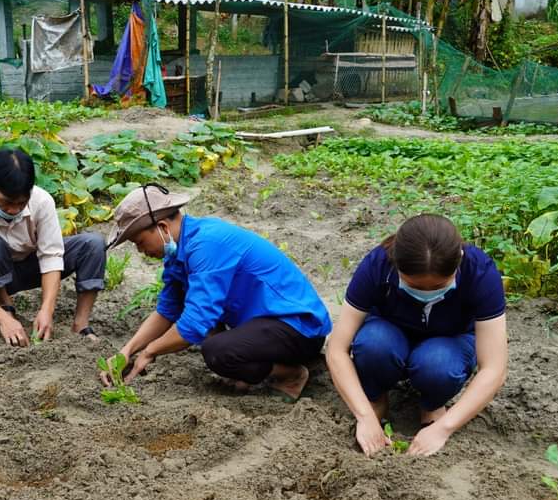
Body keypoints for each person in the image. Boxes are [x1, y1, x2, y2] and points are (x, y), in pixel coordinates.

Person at [103, 184, 332, 399]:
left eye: (140, 241)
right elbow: (167, 311)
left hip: (299, 328)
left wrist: (150, 352)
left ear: (162, 227)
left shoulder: (206, 244)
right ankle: (258, 366)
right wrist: (127, 351)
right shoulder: (178, 253)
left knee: (217, 351)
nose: (140, 250)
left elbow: (192, 325)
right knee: (212, 332)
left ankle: (291, 375)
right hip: (265, 326)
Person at [326, 214, 508, 457]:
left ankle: (432, 405)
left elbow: (495, 368)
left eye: (437, 286)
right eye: (414, 285)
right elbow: (337, 348)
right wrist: (364, 416)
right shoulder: (378, 265)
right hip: (389, 334)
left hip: (449, 342)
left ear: (459, 262)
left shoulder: (479, 272)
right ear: (395, 263)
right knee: (374, 344)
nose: (425, 292)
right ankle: (376, 399)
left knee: (438, 364)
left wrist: (444, 429)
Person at [0, 147, 106, 346]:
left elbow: (51, 257)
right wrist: (2, 319)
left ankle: (81, 324)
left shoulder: (42, 202)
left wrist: (46, 310)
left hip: (33, 267)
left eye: (21, 203)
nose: (13, 210)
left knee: (93, 244)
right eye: (5, 202)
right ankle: (5, 306)